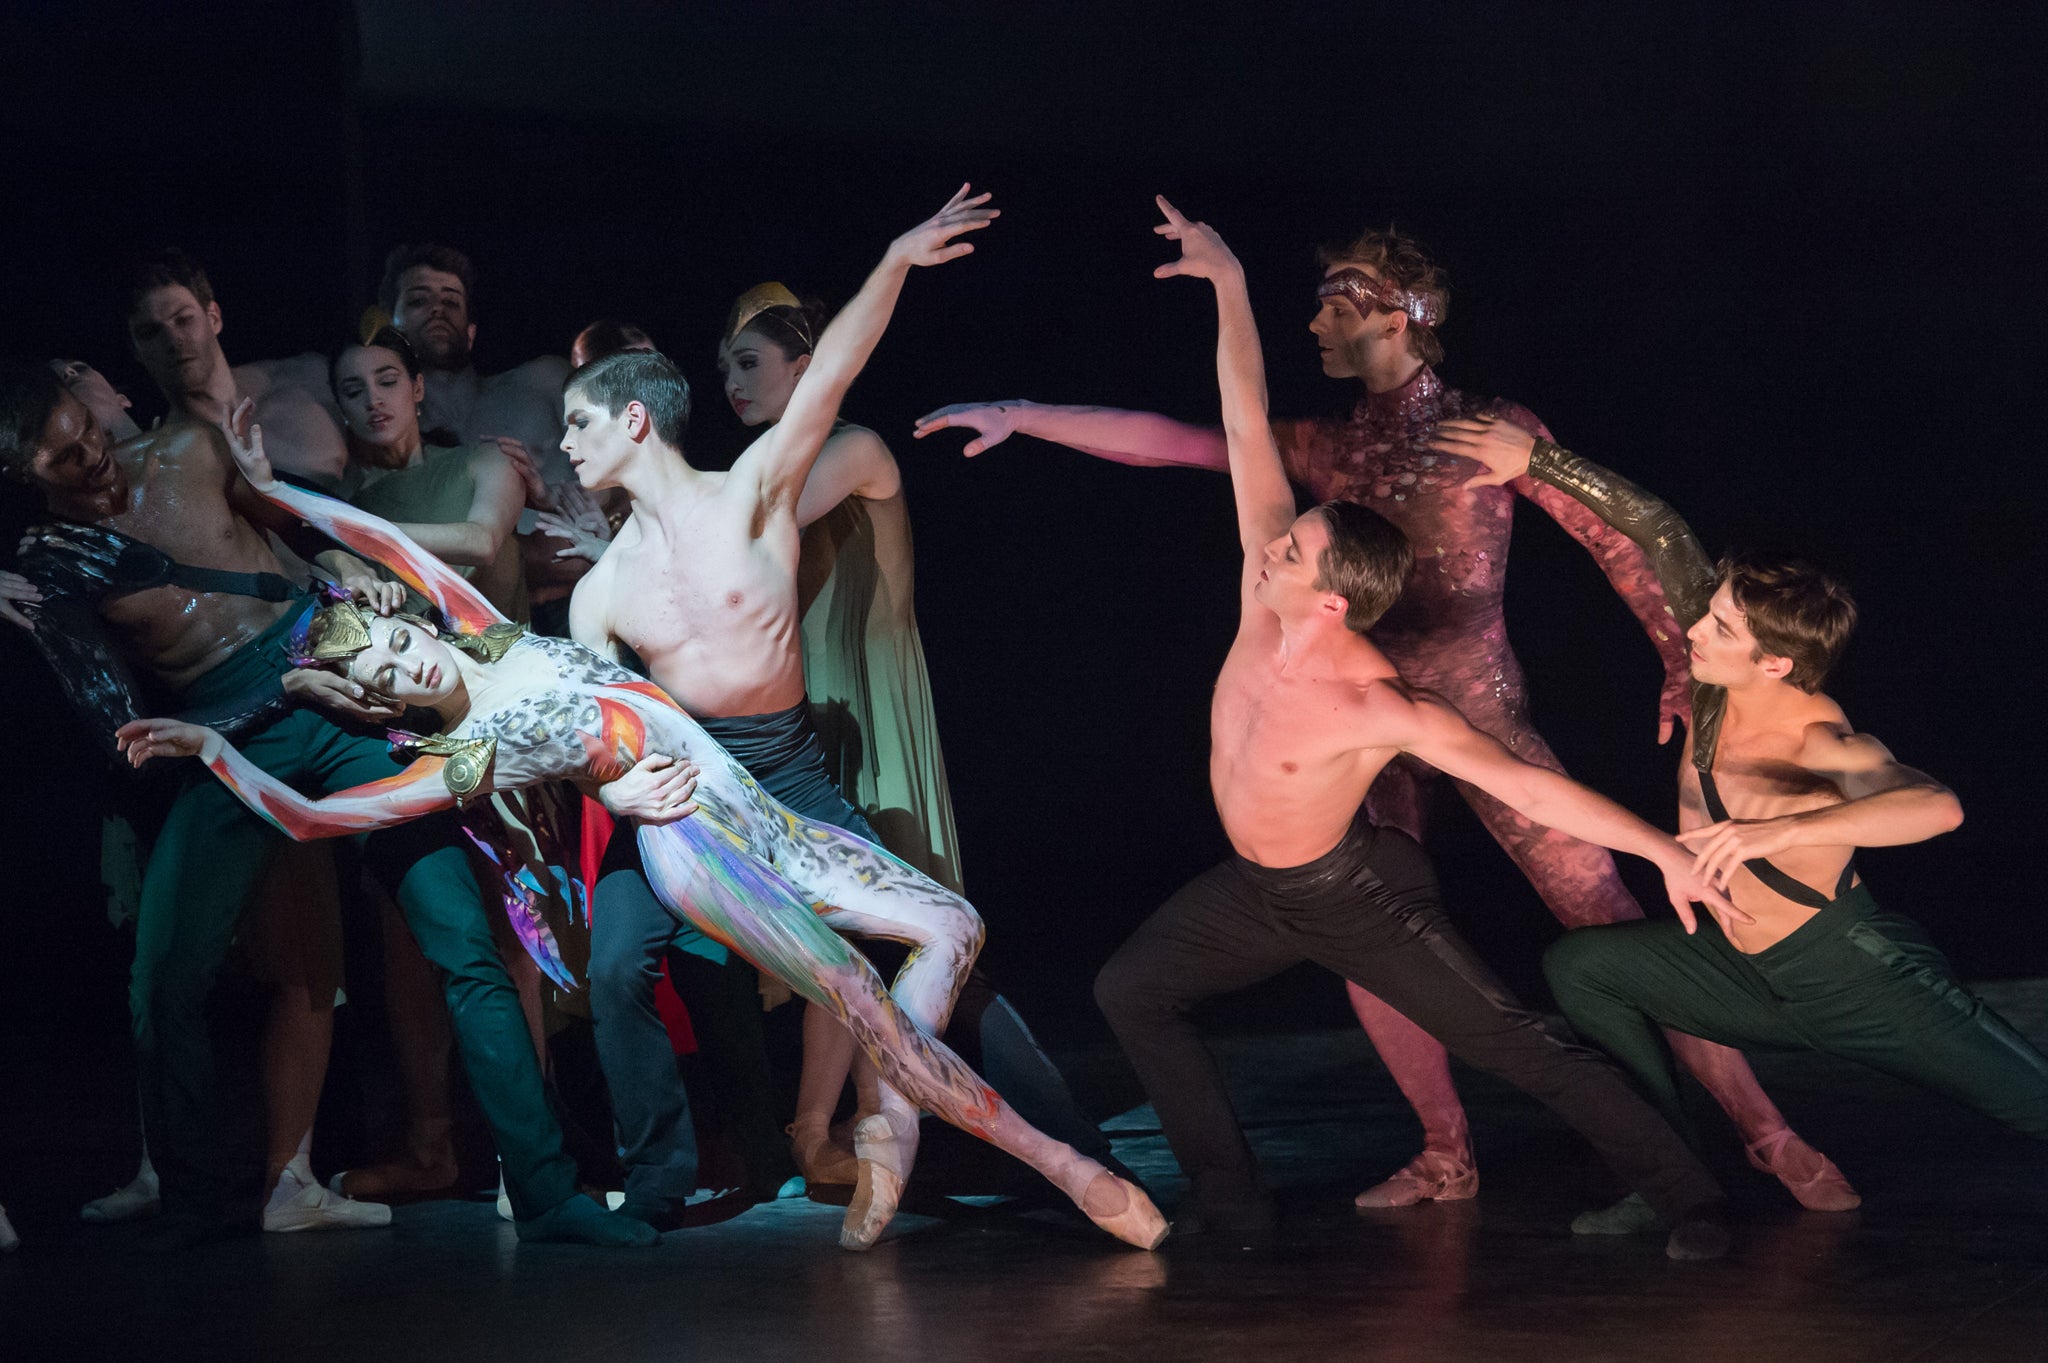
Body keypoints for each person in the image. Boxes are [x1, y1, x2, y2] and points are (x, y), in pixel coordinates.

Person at [113, 347, 1169, 1254]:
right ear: (391, 705)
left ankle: (893, 1126)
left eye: (399, 639)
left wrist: (277, 495)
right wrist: (214, 748)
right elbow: (316, 818)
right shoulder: (474, 747)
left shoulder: (494, 633)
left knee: (952, 922)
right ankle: (1064, 1167)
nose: (406, 660)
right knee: (855, 996)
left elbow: (386, 548)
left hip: (753, 798)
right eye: (388, 676)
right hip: (692, 845)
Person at [915, 226, 1849, 1214]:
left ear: (1407, 313)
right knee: (1358, 935)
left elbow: (1614, 536)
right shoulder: (1326, 443)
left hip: (1476, 713)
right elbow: (1186, 440)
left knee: (1608, 913)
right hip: (1358, 735)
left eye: (1337, 299)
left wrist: (1675, 654)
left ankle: (1764, 1131)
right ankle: (1445, 1149)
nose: (1315, 318)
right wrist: (1021, 414)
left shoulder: (1488, 424)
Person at [1086, 198, 1736, 1259]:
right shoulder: (1266, 600)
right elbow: (1242, 421)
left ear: (1332, 600)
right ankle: (1231, 1197)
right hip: (1252, 892)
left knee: (1518, 1041)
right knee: (1129, 989)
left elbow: (1525, 786)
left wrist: (1663, 848)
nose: (1263, 554)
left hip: (1352, 899)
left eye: (1287, 553)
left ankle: (1690, 1195)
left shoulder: (1378, 703)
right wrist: (1227, 284)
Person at [0, 366, 648, 1248]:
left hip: (334, 676)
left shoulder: (187, 450)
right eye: (66, 461)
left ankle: (545, 1193)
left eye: (89, 433)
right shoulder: (49, 562)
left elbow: (302, 534)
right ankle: (195, 1214)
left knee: (460, 938)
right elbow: (115, 714)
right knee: (162, 976)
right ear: (27, 476)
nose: (93, 460)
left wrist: (349, 575)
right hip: (222, 727)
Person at [1430, 415, 2048, 1232]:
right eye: (1711, 612)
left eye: (1719, 627)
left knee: (2033, 1102)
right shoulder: (1716, 685)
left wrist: (1773, 835)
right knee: (1584, 967)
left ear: (1776, 662)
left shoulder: (1820, 734)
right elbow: (1659, 529)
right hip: (1743, 977)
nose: (1692, 628)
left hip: (1858, 980)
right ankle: (1673, 1180)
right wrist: (1539, 462)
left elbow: (1938, 806)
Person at [713, 282, 1117, 1194]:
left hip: (870, 699)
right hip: (800, 712)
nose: (731, 384)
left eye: (749, 363)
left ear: (807, 369)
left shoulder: (850, 447)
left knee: (887, 923)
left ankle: (862, 1124)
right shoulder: (760, 465)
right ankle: (824, 1124)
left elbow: (751, 530)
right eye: (725, 368)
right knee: (828, 926)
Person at [125, 250, 350, 486]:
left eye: (184, 320)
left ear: (213, 318)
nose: (173, 341)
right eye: (151, 333)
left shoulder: (309, 376)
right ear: (136, 350)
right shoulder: (169, 462)